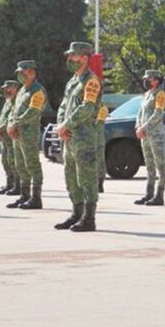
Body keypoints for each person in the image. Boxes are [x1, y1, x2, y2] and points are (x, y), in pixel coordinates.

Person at [53, 42, 103, 232]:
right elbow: (63, 106)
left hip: (84, 137)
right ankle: (76, 213)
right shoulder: (72, 81)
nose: (69, 59)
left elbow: (87, 108)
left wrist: (66, 125)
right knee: (71, 177)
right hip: (69, 137)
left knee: (87, 177)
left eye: (73, 56)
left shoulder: (91, 81)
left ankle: (89, 218)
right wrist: (61, 126)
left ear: (84, 58)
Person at [6, 61, 47, 210]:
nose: (20, 75)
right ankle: (24, 195)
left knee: (32, 165)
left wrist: (15, 124)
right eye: (19, 72)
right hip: (17, 133)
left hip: (29, 133)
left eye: (22, 72)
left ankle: (36, 198)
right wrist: (10, 124)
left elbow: (33, 112)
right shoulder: (22, 90)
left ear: (32, 72)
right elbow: (14, 110)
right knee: (20, 165)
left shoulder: (38, 91)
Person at [134, 69, 165, 206]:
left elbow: (158, 114)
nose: (146, 81)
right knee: (149, 165)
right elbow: (140, 112)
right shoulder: (147, 94)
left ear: (156, 81)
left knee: (160, 166)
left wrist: (144, 128)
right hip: (145, 135)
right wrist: (138, 126)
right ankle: (149, 194)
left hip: (155, 135)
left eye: (148, 79)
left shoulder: (160, 94)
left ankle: (159, 195)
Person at [0, 80, 21, 196]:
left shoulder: (17, 102)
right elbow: (2, 118)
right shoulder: (8, 102)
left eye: (9, 88)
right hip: (4, 136)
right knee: (6, 161)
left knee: (13, 161)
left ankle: (18, 186)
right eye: (5, 88)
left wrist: (0, 129)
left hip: (11, 135)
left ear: (16, 88)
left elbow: (12, 118)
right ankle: (10, 184)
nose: (6, 90)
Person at [96, 102, 108, 193]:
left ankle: (100, 183)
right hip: (96, 136)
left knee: (99, 160)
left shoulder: (101, 106)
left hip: (97, 136)